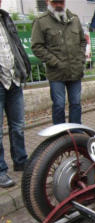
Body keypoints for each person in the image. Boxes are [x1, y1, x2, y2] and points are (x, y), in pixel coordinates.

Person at [32, 0, 86, 125]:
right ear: (48, 2)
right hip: (56, 73)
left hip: (75, 71)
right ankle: (60, 137)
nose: (58, 4)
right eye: (55, 2)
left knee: (76, 104)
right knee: (59, 105)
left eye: (61, 1)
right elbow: (37, 47)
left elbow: (83, 41)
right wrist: (55, 62)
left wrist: (81, 59)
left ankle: (75, 132)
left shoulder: (75, 19)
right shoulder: (41, 21)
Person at [0, 0, 31, 187]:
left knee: (18, 125)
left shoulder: (5, 18)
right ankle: (1, 171)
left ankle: (21, 161)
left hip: (14, 79)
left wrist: (23, 67)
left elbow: (16, 45)